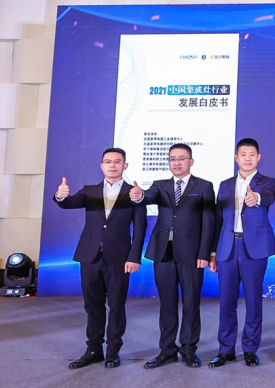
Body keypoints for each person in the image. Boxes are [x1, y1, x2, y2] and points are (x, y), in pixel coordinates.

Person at [53, 148, 146, 369]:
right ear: (101, 166)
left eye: (117, 161)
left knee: (116, 306)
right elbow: (68, 203)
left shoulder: (134, 193)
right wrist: (60, 195)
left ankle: (113, 351)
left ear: (125, 165)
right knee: (92, 306)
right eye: (108, 161)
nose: (112, 165)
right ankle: (93, 350)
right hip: (90, 256)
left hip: (119, 258)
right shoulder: (89, 190)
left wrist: (134, 257)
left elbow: (140, 228)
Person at [129, 143, 215, 369]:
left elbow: (209, 222)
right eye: (172, 159)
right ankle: (167, 350)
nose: (176, 162)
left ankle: (188, 349)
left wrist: (205, 253)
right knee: (166, 304)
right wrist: (139, 195)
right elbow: (147, 197)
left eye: (181, 158)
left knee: (191, 304)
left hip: (192, 255)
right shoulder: (160, 185)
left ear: (191, 161)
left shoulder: (204, 186)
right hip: (163, 253)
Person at [208, 138, 275, 368]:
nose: (247, 158)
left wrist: (255, 198)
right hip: (227, 248)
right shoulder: (225, 185)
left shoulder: (267, 182)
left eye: (252, 155)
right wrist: (213, 253)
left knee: (253, 300)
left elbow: (268, 197)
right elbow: (218, 219)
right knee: (226, 301)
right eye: (243, 154)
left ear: (259, 157)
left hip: (254, 249)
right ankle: (225, 349)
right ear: (236, 158)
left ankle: (250, 348)